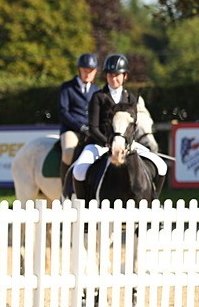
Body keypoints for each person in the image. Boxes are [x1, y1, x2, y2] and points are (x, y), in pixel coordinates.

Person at [69, 54, 166, 199]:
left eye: (117, 75)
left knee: (161, 165)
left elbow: (133, 126)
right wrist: (107, 142)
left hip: (126, 144)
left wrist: (127, 143)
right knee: (79, 170)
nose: (113, 79)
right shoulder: (98, 97)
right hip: (100, 144)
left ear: (125, 76)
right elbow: (93, 127)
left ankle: (154, 202)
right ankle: (85, 207)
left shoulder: (131, 98)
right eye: (110, 75)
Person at [56, 53, 99, 185]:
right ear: (79, 70)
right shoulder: (67, 87)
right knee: (69, 152)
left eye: (90, 71)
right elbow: (63, 112)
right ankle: (65, 186)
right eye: (84, 70)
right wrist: (80, 127)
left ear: (95, 71)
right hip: (71, 130)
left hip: (91, 130)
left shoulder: (97, 90)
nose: (87, 74)